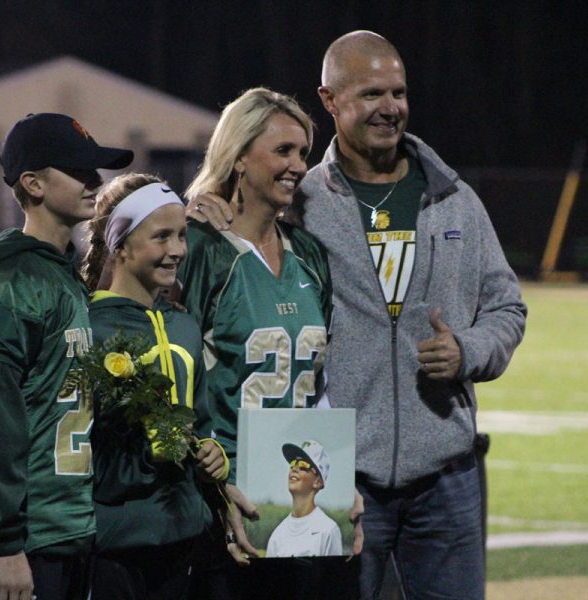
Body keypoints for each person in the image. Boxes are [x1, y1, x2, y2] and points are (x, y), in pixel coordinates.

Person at [189, 31, 527, 600]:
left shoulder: (454, 199)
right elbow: (235, 226)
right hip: (340, 476)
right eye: (371, 93)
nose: (390, 107)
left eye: (398, 92)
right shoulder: (300, 198)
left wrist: (469, 350)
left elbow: (507, 306)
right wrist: (203, 215)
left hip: (447, 473)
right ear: (330, 100)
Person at [0, 112, 133, 600]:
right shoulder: (14, 283)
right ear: (32, 183)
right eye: (78, 169)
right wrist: (4, 544)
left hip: (65, 528)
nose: (95, 180)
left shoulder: (60, 274)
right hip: (25, 541)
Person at [177, 87, 334, 597]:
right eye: (282, 150)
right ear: (239, 155)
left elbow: (318, 383)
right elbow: (171, 375)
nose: (297, 165)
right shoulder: (200, 249)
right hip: (219, 497)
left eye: (303, 153)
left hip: (294, 498)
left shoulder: (308, 252)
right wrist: (212, 477)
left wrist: (339, 486)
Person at [81, 173, 228, 599]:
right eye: (161, 236)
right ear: (120, 245)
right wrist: (150, 452)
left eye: (181, 235)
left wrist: (212, 452)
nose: (178, 250)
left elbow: (202, 418)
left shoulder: (183, 325)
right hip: (116, 541)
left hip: (184, 535)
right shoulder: (91, 328)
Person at [266, 440, 342, 558]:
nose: (294, 469)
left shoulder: (328, 530)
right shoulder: (277, 534)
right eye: (292, 464)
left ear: (318, 482)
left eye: (303, 465)